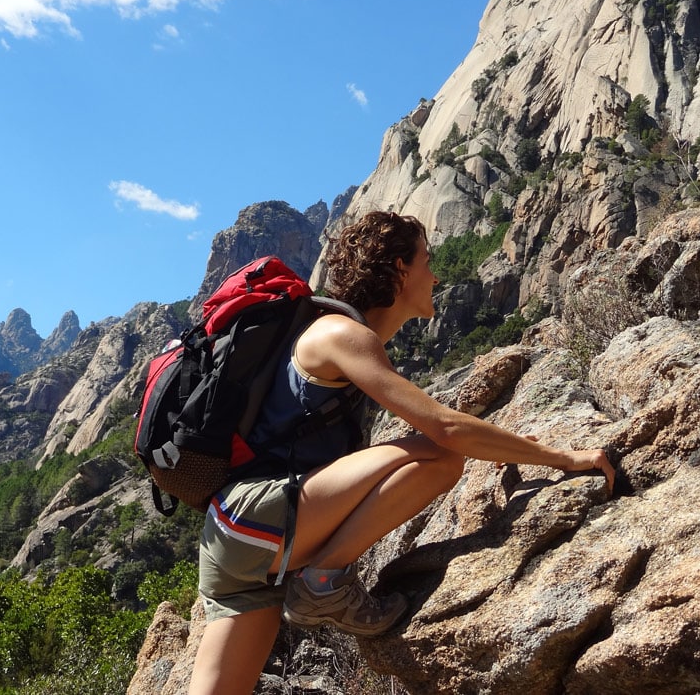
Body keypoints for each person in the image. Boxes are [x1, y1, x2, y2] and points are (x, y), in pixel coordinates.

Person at [188, 211, 615, 695]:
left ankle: (317, 581)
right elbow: (446, 429)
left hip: (236, 540)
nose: (436, 275)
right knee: (437, 457)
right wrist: (563, 458)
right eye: (427, 261)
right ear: (399, 269)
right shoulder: (341, 335)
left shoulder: (338, 336)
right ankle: (323, 582)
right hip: (261, 520)